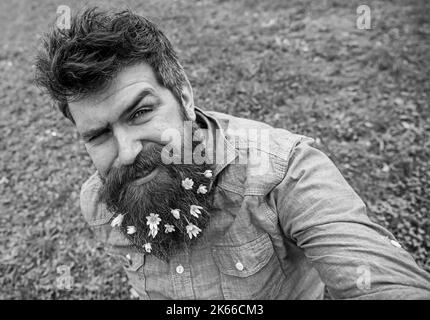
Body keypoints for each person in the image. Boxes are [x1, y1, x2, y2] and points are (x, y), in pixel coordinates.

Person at [34, 7, 430, 299]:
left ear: (184, 96)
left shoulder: (284, 172)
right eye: (99, 134)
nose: (126, 152)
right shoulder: (99, 203)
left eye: (140, 112)